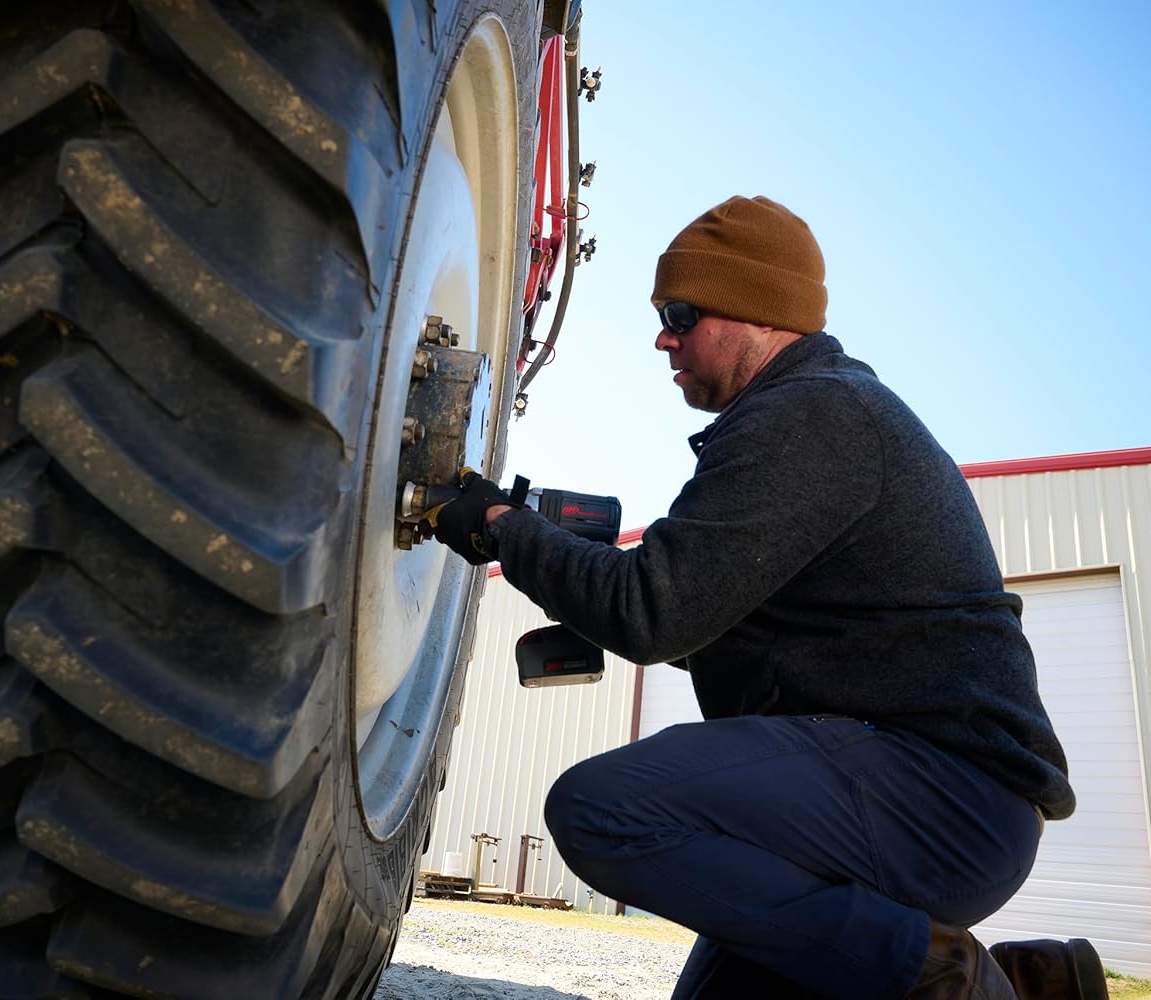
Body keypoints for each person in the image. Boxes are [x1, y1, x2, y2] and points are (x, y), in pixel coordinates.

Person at [430, 196, 1108, 1000]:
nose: (662, 337)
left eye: (680, 313)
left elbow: (650, 612)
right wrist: (575, 571)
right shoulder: (814, 415)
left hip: (941, 799)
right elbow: (702, 620)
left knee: (602, 809)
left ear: (756, 309)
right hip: (914, 803)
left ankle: (962, 984)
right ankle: (1030, 987)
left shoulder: (814, 414)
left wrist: (505, 525)